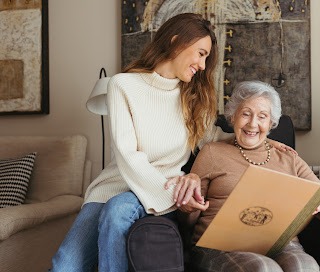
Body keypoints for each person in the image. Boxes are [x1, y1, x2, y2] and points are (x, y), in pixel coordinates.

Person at [50, 14, 293, 272]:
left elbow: (210, 137)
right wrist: (170, 192)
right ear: (176, 42)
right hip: (119, 186)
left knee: (118, 210)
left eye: (205, 58)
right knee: (63, 265)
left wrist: (262, 141)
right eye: (200, 53)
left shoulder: (192, 97)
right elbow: (127, 153)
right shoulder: (123, 85)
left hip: (156, 191)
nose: (201, 65)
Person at [170, 80, 320, 272]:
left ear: (271, 123)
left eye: (262, 116)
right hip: (221, 246)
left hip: (279, 244)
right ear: (233, 117)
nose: (252, 124)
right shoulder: (212, 153)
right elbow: (187, 218)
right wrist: (187, 208)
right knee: (263, 268)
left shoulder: (290, 159)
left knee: (305, 266)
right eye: (245, 114)